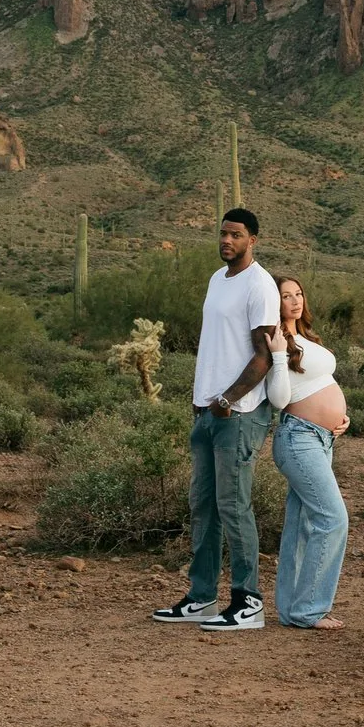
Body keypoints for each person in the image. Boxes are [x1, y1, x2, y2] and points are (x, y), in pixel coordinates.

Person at [151, 206, 278, 633]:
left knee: (233, 506)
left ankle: (248, 602)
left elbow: (263, 356)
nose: (226, 240)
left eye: (236, 235)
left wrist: (228, 398)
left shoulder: (260, 285)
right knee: (203, 505)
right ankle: (202, 597)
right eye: (223, 233)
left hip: (238, 412)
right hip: (207, 409)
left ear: (252, 240)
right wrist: (203, 399)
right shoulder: (216, 279)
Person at [263, 275, 349, 630]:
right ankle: (310, 610)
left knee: (301, 526)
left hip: (322, 438)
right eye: (286, 296)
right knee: (333, 518)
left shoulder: (306, 338)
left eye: (298, 294)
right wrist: (278, 355)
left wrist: (340, 418)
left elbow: (320, 383)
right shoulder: (275, 340)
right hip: (298, 439)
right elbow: (280, 399)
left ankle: (291, 610)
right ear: (274, 301)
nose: (295, 301)